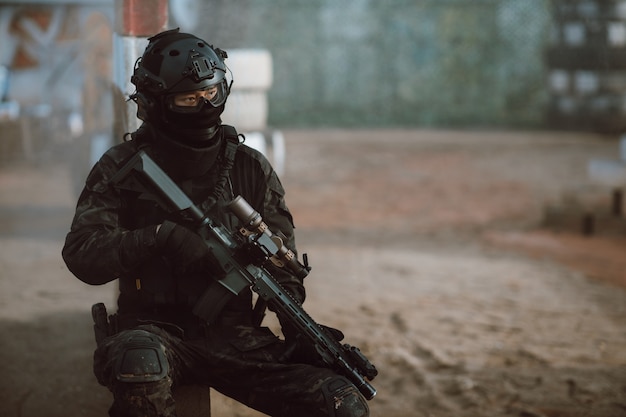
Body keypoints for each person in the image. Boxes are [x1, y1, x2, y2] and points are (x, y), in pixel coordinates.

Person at [62, 28, 370, 417]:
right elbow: (81, 254)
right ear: (156, 102)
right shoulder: (121, 166)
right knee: (140, 365)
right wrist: (158, 237)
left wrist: (298, 328)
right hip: (153, 331)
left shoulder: (249, 166)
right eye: (189, 98)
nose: (205, 105)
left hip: (235, 339)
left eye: (212, 93)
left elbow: (282, 261)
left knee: (341, 404)